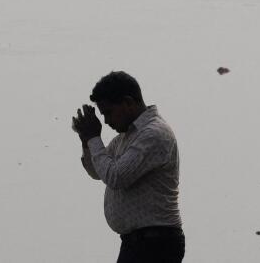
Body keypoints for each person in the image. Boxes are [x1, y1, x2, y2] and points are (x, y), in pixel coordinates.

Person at [72, 71, 185, 262]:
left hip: (157, 243)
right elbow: (97, 172)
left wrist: (94, 137)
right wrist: (87, 141)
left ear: (128, 103)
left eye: (108, 112)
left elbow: (115, 177)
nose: (106, 121)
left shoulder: (153, 134)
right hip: (138, 243)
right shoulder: (126, 137)